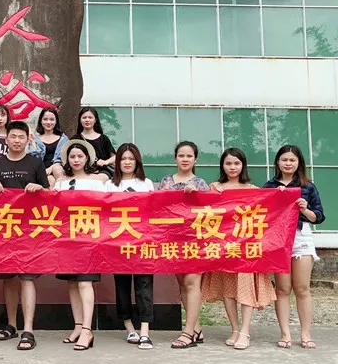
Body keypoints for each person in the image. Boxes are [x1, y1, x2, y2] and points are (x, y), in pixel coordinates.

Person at [0, 120, 50, 351]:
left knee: (27, 278)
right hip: (4, 231)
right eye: (13, 136)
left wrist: (39, 189)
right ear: (6, 139)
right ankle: (11, 325)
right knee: (8, 280)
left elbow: (50, 195)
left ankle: (28, 330)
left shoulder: (36, 163)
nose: (17, 140)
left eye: (21, 137)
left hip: (30, 232)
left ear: (28, 139)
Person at [201, 148, 276, 350]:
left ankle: (245, 331)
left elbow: (269, 211)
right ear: (222, 166)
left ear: (243, 165)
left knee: (245, 288)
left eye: (236, 163)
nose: (232, 167)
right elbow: (204, 212)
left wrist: (282, 194)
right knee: (228, 290)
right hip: (224, 247)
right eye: (228, 163)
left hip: (246, 248)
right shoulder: (214, 187)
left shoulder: (253, 189)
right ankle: (234, 329)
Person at [263, 144, 325, 350]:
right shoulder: (269, 186)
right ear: (277, 162)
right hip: (277, 239)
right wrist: (275, 199)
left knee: (302, 288)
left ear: (299, 163)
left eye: (292, 160)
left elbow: (319, 217)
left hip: (301, 237)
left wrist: (304, 209)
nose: (288, 163)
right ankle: (285, 333)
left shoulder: (308, 186)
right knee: (282, 289)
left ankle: (305, 334)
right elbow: (259, 213)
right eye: (284, 159)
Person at [53, 139, 107, 351]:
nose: (76, 160)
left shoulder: (97, 182)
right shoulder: (60, 182)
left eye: (80, 156)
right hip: (67, 238)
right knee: (72, 283)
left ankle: (87, 329)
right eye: (72, 156)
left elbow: (104, 208)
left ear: (87, 159)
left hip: (89, 238)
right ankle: (77, 326)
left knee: (85, 282)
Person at [160, 141, 211, 349]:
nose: (185, 159)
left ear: (195, 159)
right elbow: (159, 210)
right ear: (175, 158)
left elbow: (211, 211)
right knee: (182, 284)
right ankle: (196, 327)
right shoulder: (166, 181)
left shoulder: (200, 183)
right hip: (173, 239)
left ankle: (187, 332)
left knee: (192, 283)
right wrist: (162, 195)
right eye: (181, 155)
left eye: (189, 156)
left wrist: (197, 196)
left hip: (195, 240)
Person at [105, 143, 156, 350]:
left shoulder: (146, 183)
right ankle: (129, 327)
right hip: (117, 243)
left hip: (142, 242)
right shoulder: (110, 185)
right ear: (118, 162)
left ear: (137, 162)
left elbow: (153, 212)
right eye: (123, 159)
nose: (127, 162)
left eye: (131, 159)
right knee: (122, 286)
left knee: (144, 286)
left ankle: (145, 331)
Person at [69, 107, 115, 178]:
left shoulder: (103, 138)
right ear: (80, 120)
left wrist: (105, 162)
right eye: (84, 117)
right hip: (81, 172)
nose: (87, 120)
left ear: (95, 120)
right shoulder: (75, 139)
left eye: (90, 117)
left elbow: (115, 156)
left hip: (102, 172)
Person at [36, 107, 69, 183]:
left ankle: (62, 188)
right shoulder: (35, 139)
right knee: (50, 180)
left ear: (56, 121)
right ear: (41, 121)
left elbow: (65, 158)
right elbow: (33, 158)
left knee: (57, 169)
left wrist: (51, 168)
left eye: (52, 119)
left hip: (59, 170)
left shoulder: (63, 139)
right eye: (45, 119)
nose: (48, 122)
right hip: (40, 170)